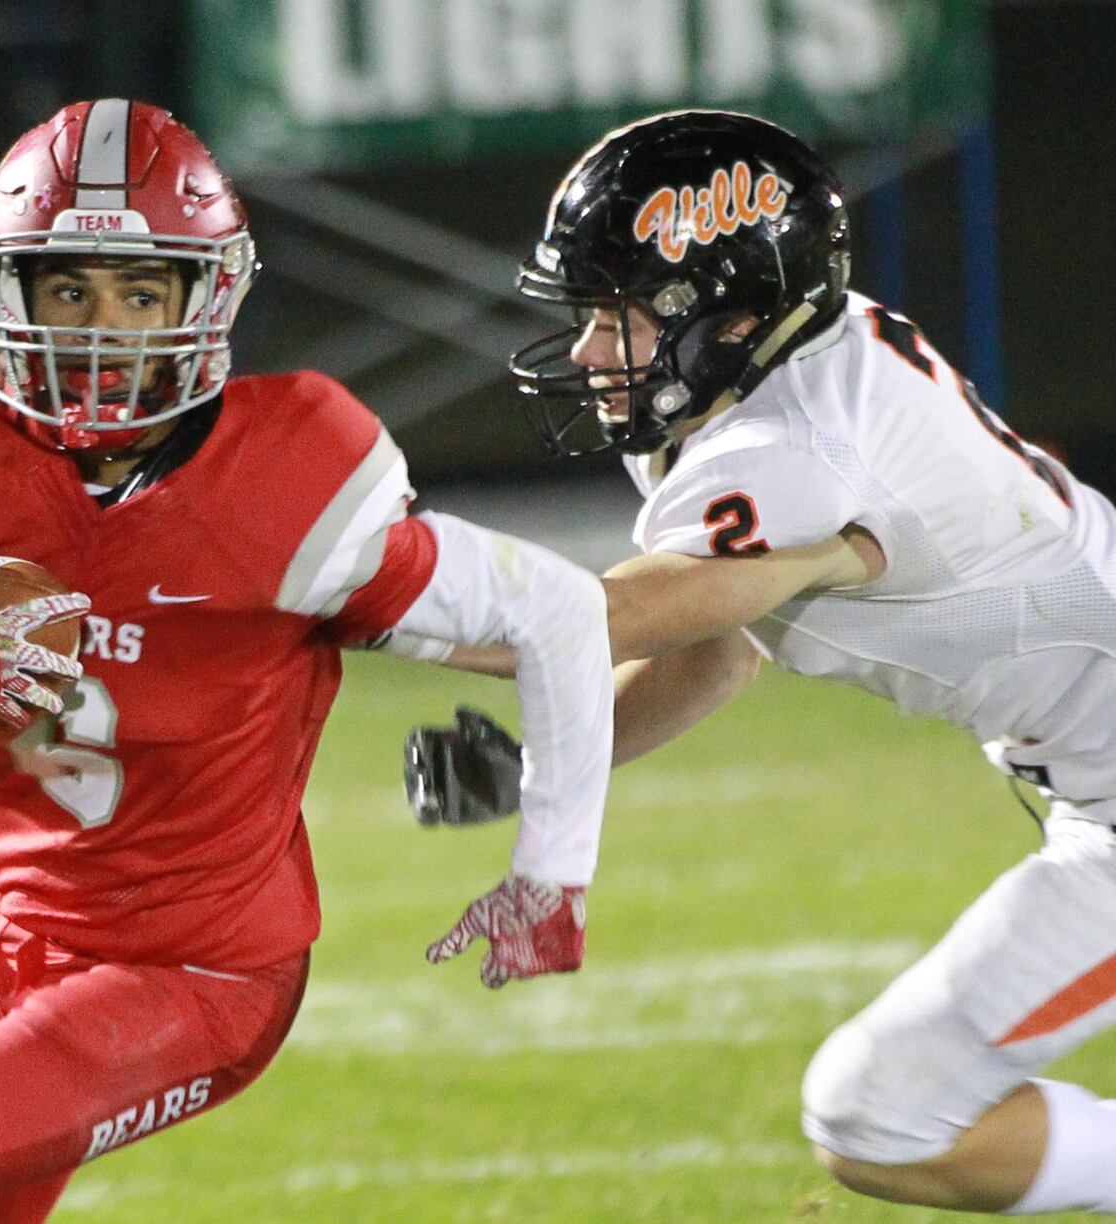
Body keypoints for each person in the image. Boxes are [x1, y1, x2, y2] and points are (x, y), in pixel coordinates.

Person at [0, 98, 615, 1224]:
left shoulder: (294, 480)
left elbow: (556, 610)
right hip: (9, 930)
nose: (102, 326)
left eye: (139, 290)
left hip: (197, 970)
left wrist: (549, 875)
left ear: (202, 298)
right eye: (67, 288)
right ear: (3, 290)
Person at [406, 109, 1116, 1215]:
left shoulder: (793, 442)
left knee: (883, 1112)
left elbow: (590, 622)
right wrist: (541, 760)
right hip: (1091, 786)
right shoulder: (774, 383)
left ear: (729, 314)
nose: (589, 350)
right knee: (879, 1110)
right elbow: (710, 658)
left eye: (615, 314)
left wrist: (352, 589)